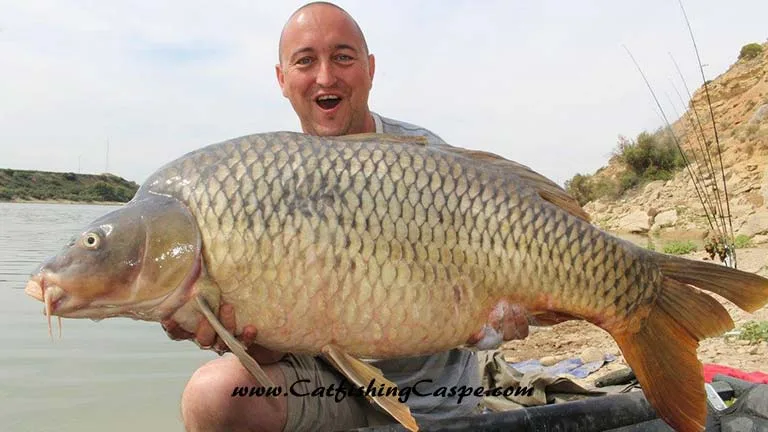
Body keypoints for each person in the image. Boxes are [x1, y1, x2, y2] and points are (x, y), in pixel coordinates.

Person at [162, 2, 486, 431]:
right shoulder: (265, 182)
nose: (325, 77)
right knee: (212, 395)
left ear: (370, 69)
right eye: (305, 61)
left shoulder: (426, 162)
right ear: (282, 79)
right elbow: (275, 348)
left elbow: (486, 304)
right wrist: (234, 336)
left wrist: (497, 320)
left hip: (432, 399)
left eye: (343, 57)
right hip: (324, 387)